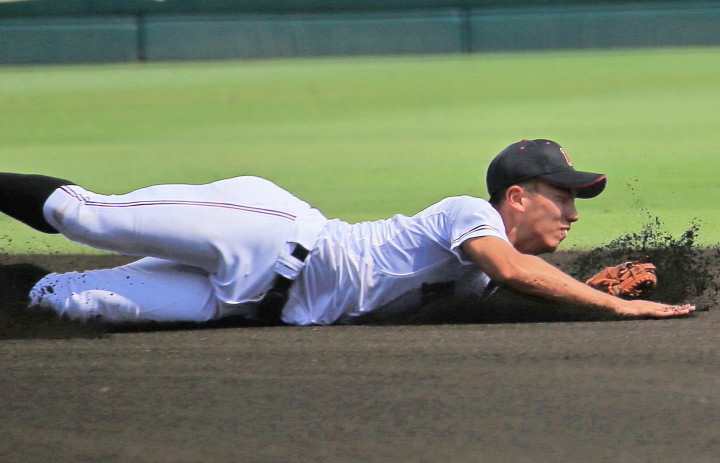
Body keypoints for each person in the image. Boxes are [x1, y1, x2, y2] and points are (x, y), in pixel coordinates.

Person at [0, 139, 694, 325]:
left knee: (67, 301)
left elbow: (516, 287)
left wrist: (583, 292)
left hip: (253, 303)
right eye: (562, 196)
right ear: (516, 196)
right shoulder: (470, 216)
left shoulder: (483, 279)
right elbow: (514, 271)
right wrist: (616, 306)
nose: (572, 213)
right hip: (269, 237)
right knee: (86, 216)